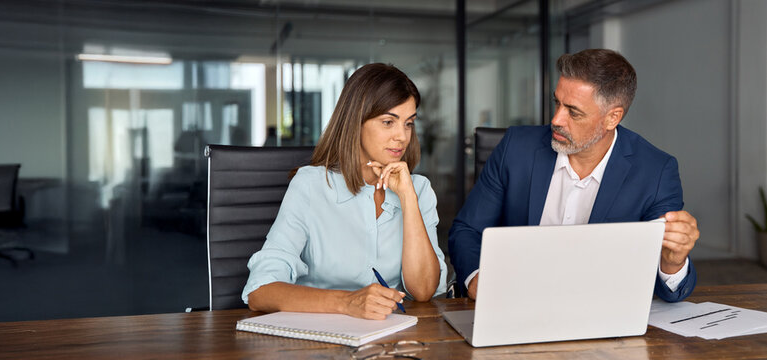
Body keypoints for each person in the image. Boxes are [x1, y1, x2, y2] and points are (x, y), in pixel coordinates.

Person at [449, 49, 699, 302]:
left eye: (574, 112)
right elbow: (467, 229)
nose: (556, 119)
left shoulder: (655, 172)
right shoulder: (515, 148)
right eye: (557, 103)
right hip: (513, 298)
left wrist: (672, 263)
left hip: (599, 307)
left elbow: (668, 289)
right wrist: (477, 278)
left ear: (612, 117)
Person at [242, 63, 447, 320]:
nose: (402, 137)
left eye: (409, 124)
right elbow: (260, 291)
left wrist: (408, 198)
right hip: (320, 333)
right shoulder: (310, 185)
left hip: (390, 332)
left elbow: (424, 290)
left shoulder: (418, 189)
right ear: (356, 122)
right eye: (388, 122)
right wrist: (347, 302)